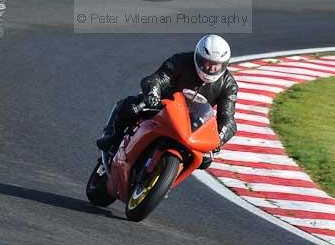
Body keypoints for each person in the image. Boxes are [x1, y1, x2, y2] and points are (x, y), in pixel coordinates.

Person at [96, 34, 238, 168]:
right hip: (162, 105)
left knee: (204, 160)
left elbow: (228, 121)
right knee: (133, 107)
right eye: (207, 62)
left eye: (216, 65)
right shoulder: (181, 61)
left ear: (224, 65)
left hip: (192, 123)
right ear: (198, 57)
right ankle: (112, 134)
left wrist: (217, 141)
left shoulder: (228, 85)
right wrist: (153, 92)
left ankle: (167, 177)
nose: (210, 68)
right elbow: (156, 78)